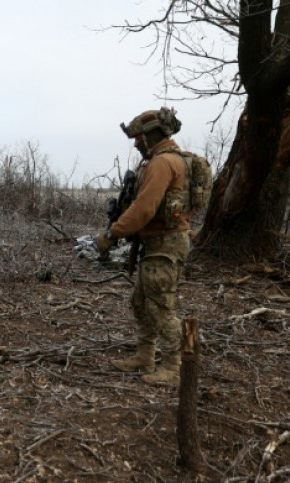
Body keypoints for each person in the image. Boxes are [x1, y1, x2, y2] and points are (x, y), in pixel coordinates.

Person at [94, 107, 192, 386]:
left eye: (138, 138)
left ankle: (173, 368)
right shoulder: (168, 161)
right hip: (158, 243)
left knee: (161, 306)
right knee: (142, 302)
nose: (136, 143)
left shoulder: (162, 163)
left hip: (165, 244)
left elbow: (144, 209)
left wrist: (113, 233)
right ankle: (145, 356)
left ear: (152, 135)